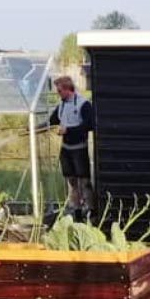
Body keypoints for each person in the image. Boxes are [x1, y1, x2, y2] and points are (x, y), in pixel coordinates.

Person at [47, 76, 95, 217]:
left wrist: (68, 130)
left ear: (68, 89)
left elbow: (89, 125)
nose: (58, 93)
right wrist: (33, 128)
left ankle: (90, 208)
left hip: (79, 148)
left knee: (83, 180)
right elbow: (52, 120)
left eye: (60, 90)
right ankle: (76, 209)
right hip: (66, 148)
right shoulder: (61, 105)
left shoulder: (83, 104)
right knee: (71, 180)